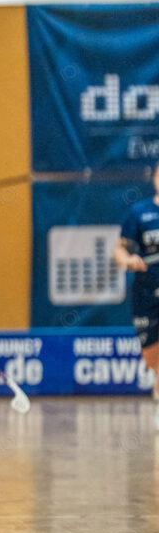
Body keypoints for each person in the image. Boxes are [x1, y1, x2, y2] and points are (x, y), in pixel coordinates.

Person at [113, 166, 159, 431]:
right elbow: (119, 249)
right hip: (146, 292)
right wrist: (128, 260)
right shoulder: (139, 213)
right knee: (152, 358)